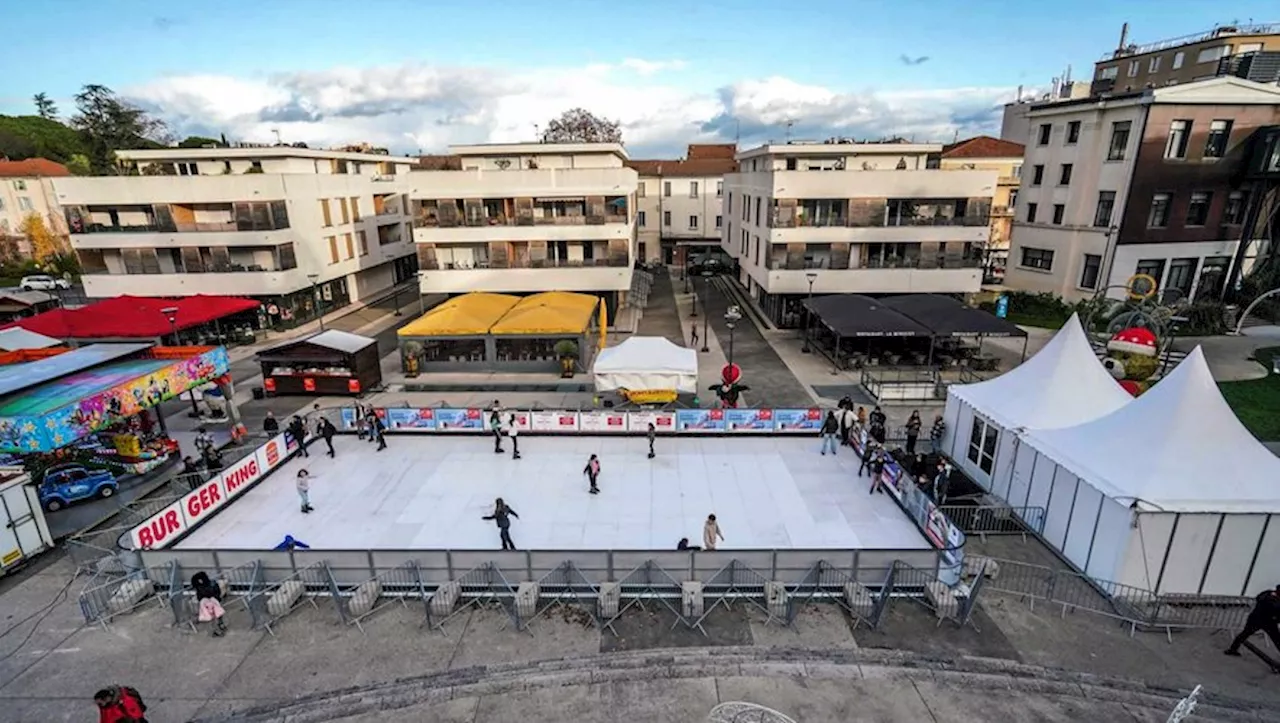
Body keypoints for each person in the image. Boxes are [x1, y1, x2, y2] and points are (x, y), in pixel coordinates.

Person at [1225, 585, 1280, 657]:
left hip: (1255, 618)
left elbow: (1258, 597)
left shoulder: (1267, 593)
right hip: (1268, 622)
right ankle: (1233, 649)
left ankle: (1233, 649)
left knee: (1244, 634)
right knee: (1277, 639)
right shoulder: (1276, 601)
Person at [191, 571, 227, 637]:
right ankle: (219, 627)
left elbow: (200, 596)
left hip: (209, 604)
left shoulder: (199, 587)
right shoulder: (211, 584)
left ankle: (216, 629)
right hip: (213, 602)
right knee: (217, 615)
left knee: (212, 617)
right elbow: (217, 592)